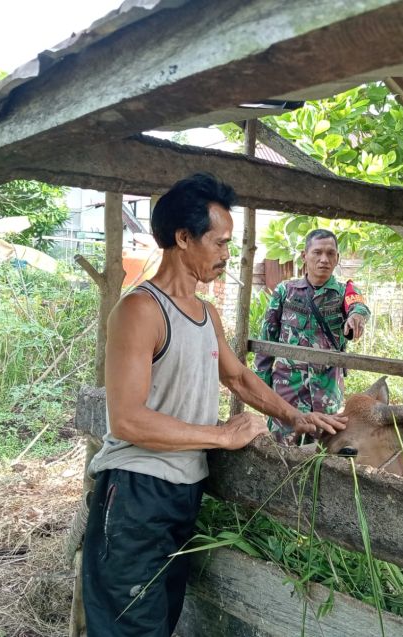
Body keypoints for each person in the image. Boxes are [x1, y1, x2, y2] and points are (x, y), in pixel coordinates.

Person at [81, 173, 346, 637]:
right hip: (137, 491)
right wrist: (221, 436)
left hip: (184, 491)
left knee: (160, 619)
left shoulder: (205, 313)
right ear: (184, 238)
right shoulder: (140, 310)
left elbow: (238, 376)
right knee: (130, 626)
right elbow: (126, 420)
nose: (227, 254)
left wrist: (295, 416)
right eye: (220, 242)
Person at [255, 228, 370, 445]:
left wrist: (356, 316)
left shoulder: (343, 292)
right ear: (304, 256)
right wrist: (261, 386)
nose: (324, 259)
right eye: (317, 252)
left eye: (330, 253)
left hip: (327, 393)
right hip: (287, 392)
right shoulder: (285, 291)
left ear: (337, 258)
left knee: (321, 453)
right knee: (282, 450)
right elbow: (266, 339)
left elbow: (358, 306)